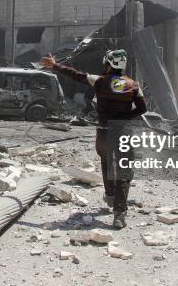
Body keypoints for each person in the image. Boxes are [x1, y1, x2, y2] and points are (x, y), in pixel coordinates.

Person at [41, 49, 147, 229]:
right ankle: (119, 214)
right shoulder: (133, 85)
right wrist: (126, 117)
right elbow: (142, 109)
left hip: (104, 133)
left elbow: (76, 75)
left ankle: (110, 195)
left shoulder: (99, 81)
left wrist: (55, 66)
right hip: (123, 133)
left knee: (106, 162)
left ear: (108, 64)